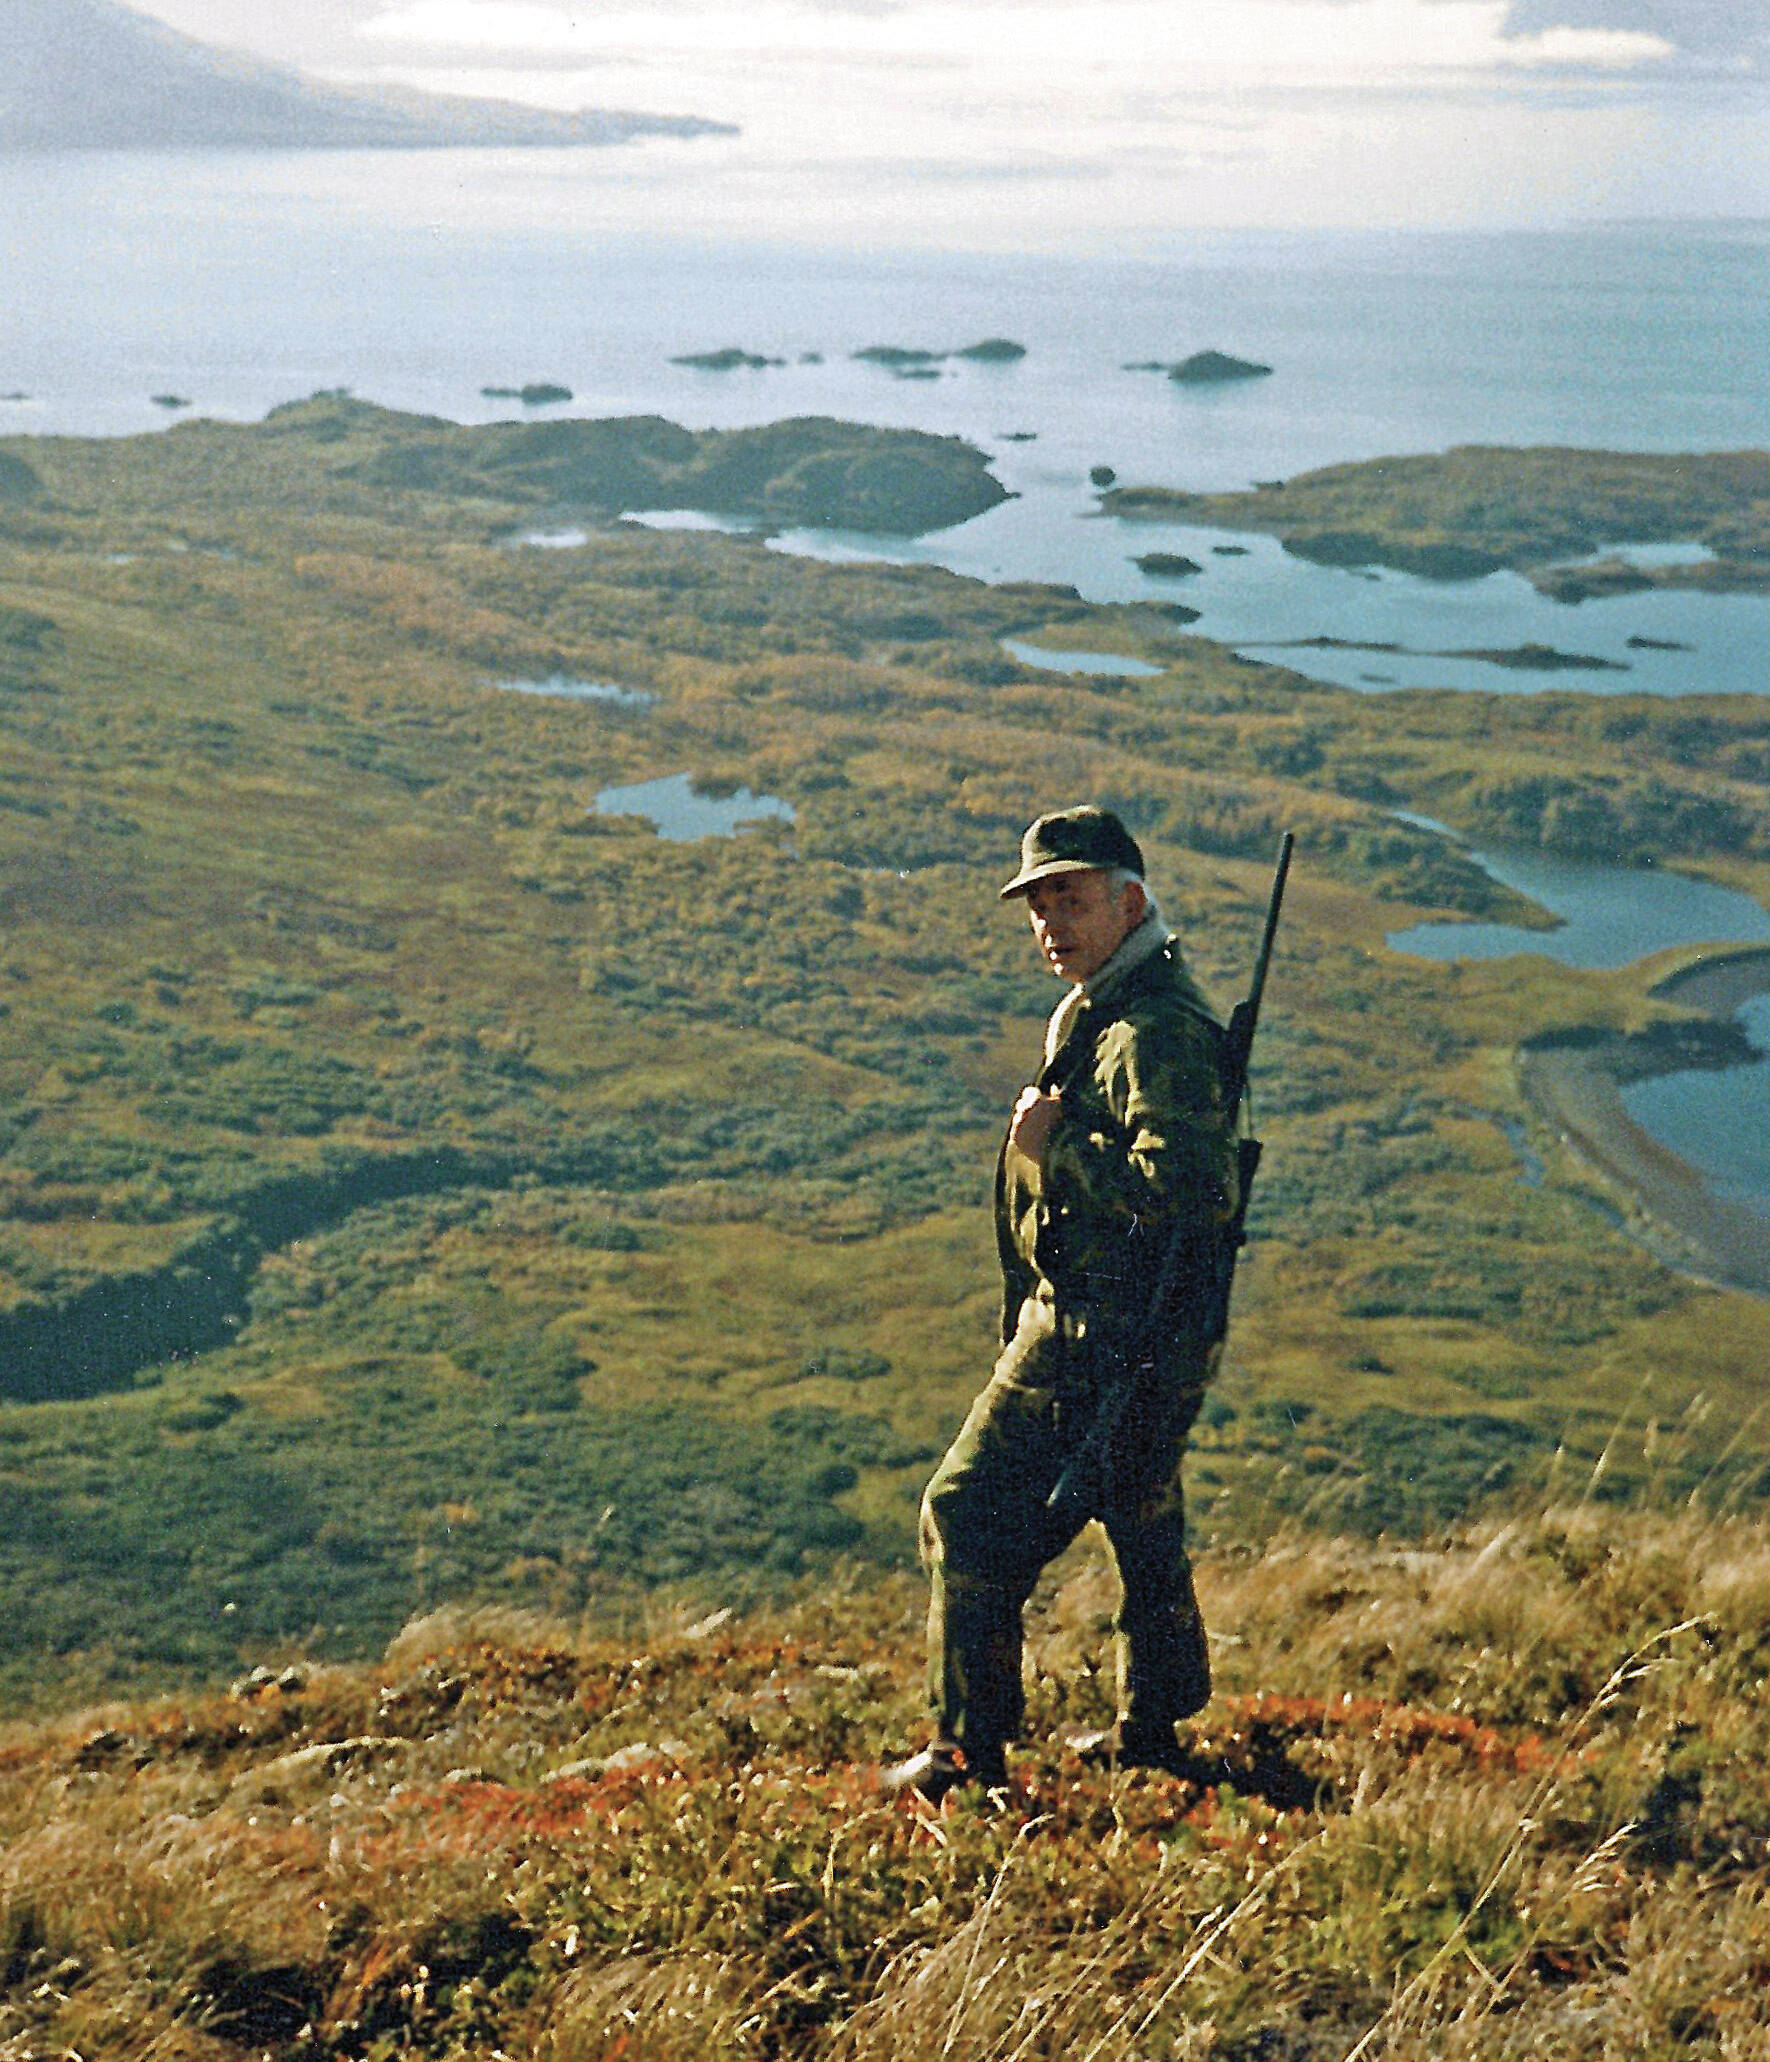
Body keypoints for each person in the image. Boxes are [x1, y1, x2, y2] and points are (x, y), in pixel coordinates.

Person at [884, 805, 1241, 1801]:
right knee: (1138, 1512)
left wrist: (1057, 1151)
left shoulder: (1151, 1032)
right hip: (1144, 1332)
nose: (1051, 922)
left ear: (1131, 901)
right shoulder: (1122, 1009)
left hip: (1101, 1334)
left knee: (965, 1508)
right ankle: (1155, 1730)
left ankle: (968, 1752)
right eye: (1039, 905)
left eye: (1071, 899)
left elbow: (1195, 1196)